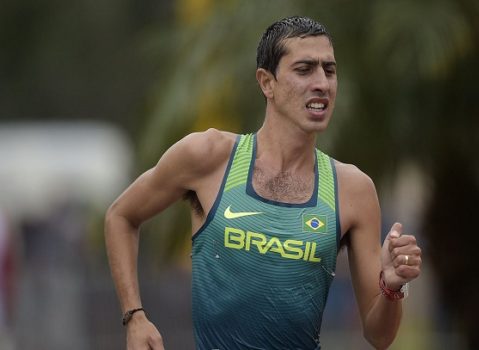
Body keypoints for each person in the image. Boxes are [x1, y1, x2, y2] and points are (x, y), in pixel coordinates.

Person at [105, 16, 422, 350]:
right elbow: (120, 216)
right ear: (266, 83)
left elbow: (380, 336)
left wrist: (391, 287)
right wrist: (134, 316)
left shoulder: (352, 189)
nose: (322, 84)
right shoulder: (208, 157)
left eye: (329, 70)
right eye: (304, 69)